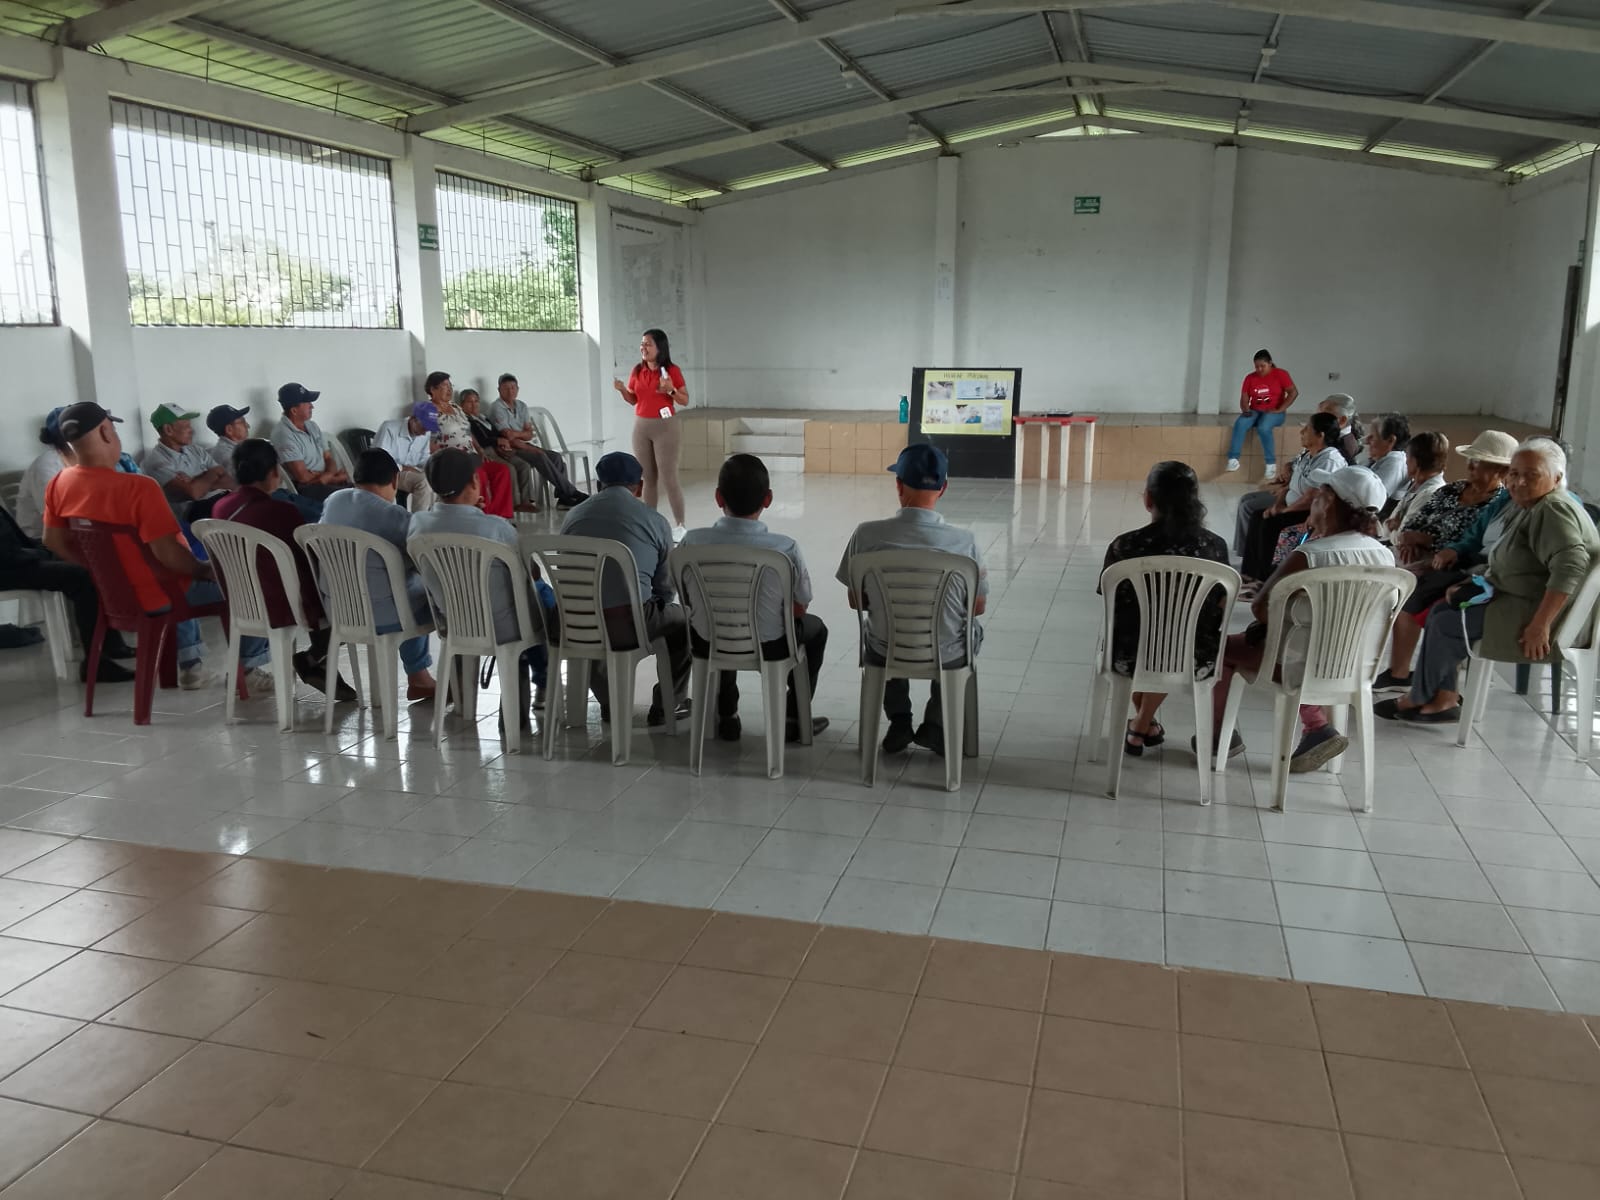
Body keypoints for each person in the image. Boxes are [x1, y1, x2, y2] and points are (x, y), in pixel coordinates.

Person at [40, 402, 268, 689]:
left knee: (168, 574)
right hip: (160, 594)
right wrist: (203, 569)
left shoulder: (59, 484)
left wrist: (101, 572)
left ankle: (191, 665)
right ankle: (248, 669)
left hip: (114, 597)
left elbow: (53, 541)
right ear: (106, 433)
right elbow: (169, 554)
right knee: (252, 580)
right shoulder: (138, 487)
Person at [1377, 438, 1599, 724]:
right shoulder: (1534, 505)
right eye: (1514, 474)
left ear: (1556, 478)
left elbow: (1571, 565)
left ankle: (1423, 697)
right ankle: (1439, 697)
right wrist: (1473, 585)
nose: (1519, 482)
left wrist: (1540, 625)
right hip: (1517, 599)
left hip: (1540, 617)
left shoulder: (1554, 509)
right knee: (1441, 611)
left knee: (1446, 622)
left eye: (1531, 475)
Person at [1211, 466, 1395, 772]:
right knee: (1308, 649)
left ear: (1330, 502)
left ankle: (1218, 739)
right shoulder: (1385, 556)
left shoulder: (1310, 555)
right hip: (1356, 665)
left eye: (1318, 495)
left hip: (1300, 666)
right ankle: (1316, 726)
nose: (1313, 501)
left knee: (1221, 650)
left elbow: (1261, 609)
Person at [837, 444, 987, 757]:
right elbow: (977, 607)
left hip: (886, 648)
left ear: (898, 485)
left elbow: (855, 601)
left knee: (880, 632)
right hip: (945, 652)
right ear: (943, 488)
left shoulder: (866, 535)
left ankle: (899, 721)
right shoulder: (965, 542)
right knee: (968, 632)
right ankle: (935, 724)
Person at [679, 453, 830, 744]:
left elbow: (687, 600)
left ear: (718, 497)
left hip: (707, 642)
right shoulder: (784, 548)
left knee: (721, 619)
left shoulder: (692, 542)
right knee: (817, 630)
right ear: (768, 499)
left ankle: (727, 715)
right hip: (770, 646)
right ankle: (794, 718)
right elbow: (800, 607)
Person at [408, 448, 548, 725]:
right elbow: (530, 571)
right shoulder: (496, 527)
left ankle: (467, 702)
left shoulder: (418, 524)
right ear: (475, 482)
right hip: (504, 627)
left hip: (455, 623)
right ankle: (544, 680)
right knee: (543, 595)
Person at [1099, 461, 1230, 755]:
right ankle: (1143, 725)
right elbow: (1221, 604)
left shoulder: (1124, 546)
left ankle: (1142, 724)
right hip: (1194, 656)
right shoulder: (1214, 547)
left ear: (1148, 499)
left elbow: (1110, 602)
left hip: (1129, 655)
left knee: (1147, 641)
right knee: (1172, 642)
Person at [212, 440, 355, 700]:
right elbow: (305, 559)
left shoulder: (221, 507)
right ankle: (314, 658)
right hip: (278, 603)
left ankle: (317, 662)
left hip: (240, 600)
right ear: (273, 472)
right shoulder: (280, 511)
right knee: (346, 600)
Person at [560, 451, 692, 725]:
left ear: (599, 485)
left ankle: (610, 701)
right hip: (629, 623)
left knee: (593, 614)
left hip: (577, 621)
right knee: (686, 622)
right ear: (640, 487)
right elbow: (665, 587)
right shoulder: (654, 521)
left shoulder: (573, 516)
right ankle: (670, 703)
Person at [318, 449, 436, 702]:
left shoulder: (334, 500)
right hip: (385, 616)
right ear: (395, 479)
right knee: (424, 589)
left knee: (399, 584)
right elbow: (425, 557)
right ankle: (420, 675)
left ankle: (419, 676)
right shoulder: (395, 516)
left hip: (338, 610)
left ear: (355, 477)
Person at [0, 500, 135, 682]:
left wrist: (45, 548)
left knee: (73, 555)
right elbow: (8, 555)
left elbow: (13, 544)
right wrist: (42, 553)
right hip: (7, 570)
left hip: (11, 562)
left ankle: (110, 645)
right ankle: (96, 663)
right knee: (80, 577)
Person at [1239, 412, 1345, 584]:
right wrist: (1278, 505)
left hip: (1310, 513)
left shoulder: (1329, 460)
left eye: (1307, 429)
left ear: (1320, 435)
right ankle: (1250, 573)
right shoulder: (1309, 454)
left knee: (1270, 524)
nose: (1302, 432)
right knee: (1257, 516)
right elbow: (1290, 485)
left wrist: (1283, 511)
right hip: (1292, 506)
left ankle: (1266, 580)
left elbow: (1311, 497)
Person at [1389, 431, 1515, 568]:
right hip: (1409, 557)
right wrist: (1409, 543)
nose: (1469, 466)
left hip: (1443, 567)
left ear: (1501, 471)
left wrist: (1430, 541)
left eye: (1477, 461)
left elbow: (1474, 544)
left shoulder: (1498, 505)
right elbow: (1416, 521)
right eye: (1470, 459)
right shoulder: (1451, 489)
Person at [612, 328, 688, 535]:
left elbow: (684, 399)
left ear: (659, 347)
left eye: (648, 344)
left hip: (665, 427)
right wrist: (622, 390)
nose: (643, 348)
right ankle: (649, 523)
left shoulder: (671, 370)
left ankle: (680, 525)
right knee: (648, 478)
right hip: (641, 427)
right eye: (642, 344)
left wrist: (671, 389)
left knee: (669, 477)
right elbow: (633, 399)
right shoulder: (637, 370)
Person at [488, 373, 587, 510]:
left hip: (523, 444)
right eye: (506, 388)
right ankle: (571, 492)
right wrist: (525, 439)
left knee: (556, 457)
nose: (510, 391)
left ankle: (563, 499)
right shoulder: (496, 407)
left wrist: (517, 434)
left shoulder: (522, 406)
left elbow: (529, 434)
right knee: (540, 455)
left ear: (518, 389)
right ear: (499, 390)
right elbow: (509, 437)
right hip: (510, 448)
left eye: (513, 387)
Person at [423, 372, 514, 520]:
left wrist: (480, 450)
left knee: (501, 471)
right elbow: (425, 439)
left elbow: (467, 432)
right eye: (444, 386)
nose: (449, 389)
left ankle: (499, 516)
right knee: (479, 475)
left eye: (450, 385)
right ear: (432, 389)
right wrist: (440, 455)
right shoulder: (428, 410)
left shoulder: (455, 407)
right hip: (452, 459)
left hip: (471, 455)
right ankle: (483, 517)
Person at [142, 404, 233, 518]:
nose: (192, 431)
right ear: (168, 430)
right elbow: (193, 493)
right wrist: (212, 474)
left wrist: (195, 481)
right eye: (187, 426)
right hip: (195, 512)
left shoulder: (195, 449)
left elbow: (228, 480)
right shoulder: (155, 461)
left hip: (220, 498)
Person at [459, 388, 536, 511]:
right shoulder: (465, 421)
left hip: (499, 448)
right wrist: (497, 441)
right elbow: (480, 440)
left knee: (523, 465)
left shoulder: (482, 418)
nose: (474, 404)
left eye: (476, 401)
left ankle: (526, 501)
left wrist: (503, 441)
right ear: (462, 405)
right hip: (487, 450)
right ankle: (515, 503)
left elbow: (495, 433)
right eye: (469, 402)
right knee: (509, 468)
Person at [270, 383, 349, 502]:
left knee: (364, 491)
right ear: (294, 410)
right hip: (307, 489)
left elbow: (328, 458)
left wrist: (328, 475)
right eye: (307, 403)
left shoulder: (312, 426)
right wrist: (334, 478)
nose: (312, 406)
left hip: (325, 481)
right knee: (352, 498)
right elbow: (303, 477)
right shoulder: (283, 434)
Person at [1225, 349, 1298, 479]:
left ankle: (1270, 463)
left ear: (1270, 363)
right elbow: (1244, 396)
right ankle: (1233, 459)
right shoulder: (1250, 378)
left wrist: (1280, 409)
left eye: (1262, 366)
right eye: (1256, 366)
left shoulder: (1281, 374)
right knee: (1241, 423)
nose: (1259, 369)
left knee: (1263, 427)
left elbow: (1293, 392)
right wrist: (1246, 409)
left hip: (1274, 412)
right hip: (1255, 410)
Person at [16, 409, 72, 541]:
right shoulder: (47, 466)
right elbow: (58, 521)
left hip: (75, 533)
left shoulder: (84, 461)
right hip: (41, 541)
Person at [1384, 431, 1449, 544]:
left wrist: (1392, 530)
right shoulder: (1415, 486)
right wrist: (1391, 527)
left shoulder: (1431, 493)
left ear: (1416, 461)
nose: (1406, 462)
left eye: (1407, 457)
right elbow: (1386, 528)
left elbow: (1402, 538)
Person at [372, 403, 436, 511]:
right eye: (424, 427)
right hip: (388, 472)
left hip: (410, 471)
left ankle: (432, 516)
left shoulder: (425, 433)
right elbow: (381, 460)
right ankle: (418, 520)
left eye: (429, 428)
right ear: (413, 419)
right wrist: (404, 468)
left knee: (438, 478)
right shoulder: (389, 428)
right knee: (423, 483)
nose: (425, 432)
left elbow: (423, 458)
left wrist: (435, 466)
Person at [1361, 414, 1411, 501]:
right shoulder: (1382, 459)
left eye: (1372, 436)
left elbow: (1373, 497)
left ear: (1390, 440)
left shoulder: (1395, 462)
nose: (1367, 441)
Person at [1320, 393, 1363, 464]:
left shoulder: (1344, 445)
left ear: (1342, 420)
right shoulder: (1333, 438)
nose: (1319, 418)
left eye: (1325, 414)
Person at [206, 405, 251, 471]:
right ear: (229, 430)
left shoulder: (236, 449)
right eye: (242, 422)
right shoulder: (230, 458)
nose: (248, 426)